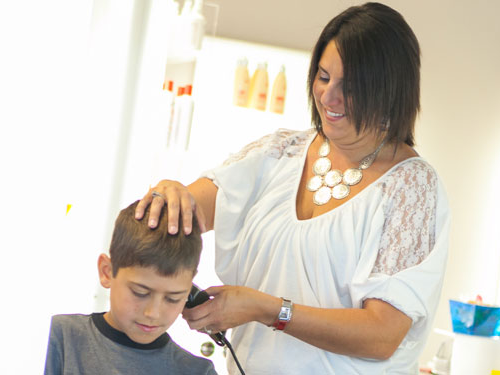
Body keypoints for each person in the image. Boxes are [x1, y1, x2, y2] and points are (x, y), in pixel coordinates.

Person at [136, 2, 450, 373]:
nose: (328, 97)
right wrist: (171, 194)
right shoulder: (278, 153)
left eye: (349, 87)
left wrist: (266, 308)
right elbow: (183, 213)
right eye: (322, 76)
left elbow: (382, 335)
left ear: (388, 91)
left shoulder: (411, 189)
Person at [45, 200, 217, 375]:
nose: (153, 313)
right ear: (107, 272)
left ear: (189, 292)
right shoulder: (59, 338)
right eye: (140, 293)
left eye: (173, 298)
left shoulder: (198, 371)